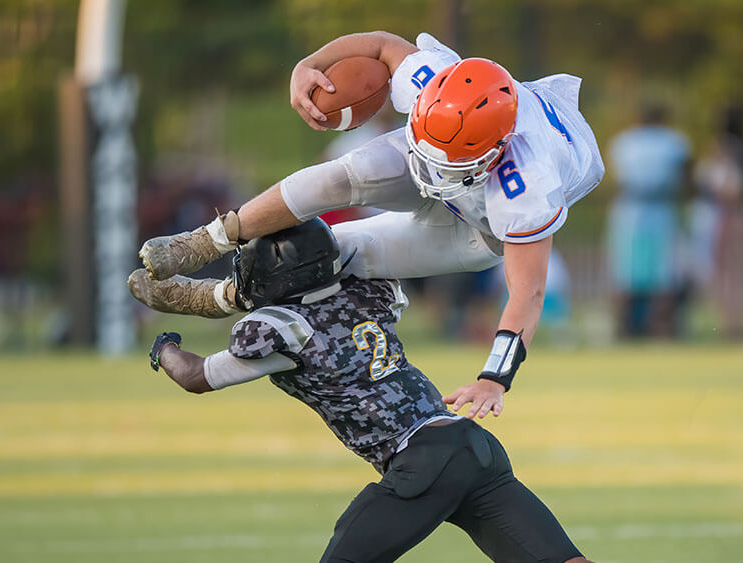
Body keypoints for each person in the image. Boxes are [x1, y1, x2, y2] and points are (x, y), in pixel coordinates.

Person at [129, 31, 604, 417]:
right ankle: (202, 242)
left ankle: (216, 298)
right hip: (452, 151)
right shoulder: (435, 84)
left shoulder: (525, 185)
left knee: (328, 253)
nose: (433, 168)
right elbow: (380, 44)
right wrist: (307, 65)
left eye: (449, 162)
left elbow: (527, 293)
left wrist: (493, 378)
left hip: (475, 228)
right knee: (334, 178)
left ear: (496, 154)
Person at [147, 218, 592, 563]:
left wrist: (164, 346)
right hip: (473, 446)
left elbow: (196, 376)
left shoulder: (284, 330)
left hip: (421, 460)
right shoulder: (365, 294)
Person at [604, 103, 690, 339]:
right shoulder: (673, 142)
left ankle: (624, 328)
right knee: (663, 277)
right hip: (661, 211)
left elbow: (618, 182)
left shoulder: (624, 142)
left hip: (630, 212)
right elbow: (682, 179)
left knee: (625, 274)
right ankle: (660, 328)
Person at [689, 106, 743, 340]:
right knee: (726, 273)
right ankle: (730, 321)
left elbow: (728, 192)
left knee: (726, 273)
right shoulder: (735, 156)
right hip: (724, 218)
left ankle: (732, 322)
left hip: (724, 219)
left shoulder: (727, 158)